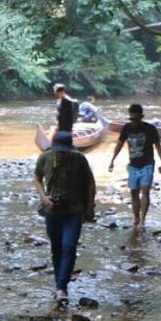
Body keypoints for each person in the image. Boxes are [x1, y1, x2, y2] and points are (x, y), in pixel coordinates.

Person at [34, 131, 96, 306]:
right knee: (56, 248)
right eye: (59, 151)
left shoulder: (79, 160)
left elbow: (90, 183)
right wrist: (44, 198)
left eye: (64, 151)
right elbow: (37, 178)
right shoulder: (45, 158)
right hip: (52, 212)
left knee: (69, 246)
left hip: (74, 211)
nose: (61, 154)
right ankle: (59, 283)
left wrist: (90, 206)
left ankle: (62, 287)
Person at [108, 104, 161, 229]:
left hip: (147, 164)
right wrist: (112, 160)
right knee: (134, 192)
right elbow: (119, 144)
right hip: (133, 165)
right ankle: (136, 218)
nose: (133, 121)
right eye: (131, 119)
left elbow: (158, 146)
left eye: (136, 119)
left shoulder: (150, 129)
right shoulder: (126, 128)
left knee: (145, 191)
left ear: (141, 117)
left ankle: (142, 220)